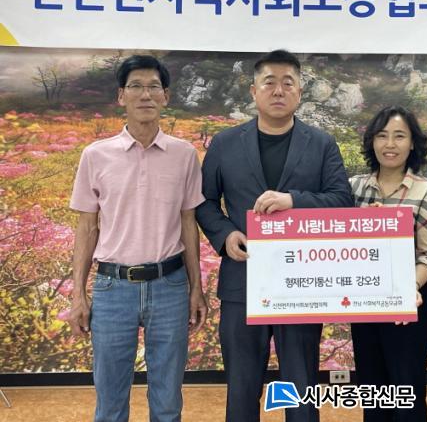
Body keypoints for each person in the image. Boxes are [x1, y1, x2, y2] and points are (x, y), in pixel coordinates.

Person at [196, 49, 353, 422]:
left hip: (300, 284)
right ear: (254, 91)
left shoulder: (321, 143)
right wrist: (225, 234)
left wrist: (294, 200)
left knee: (300, 389)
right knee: (242, 387)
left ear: (300, 91)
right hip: (242, 281)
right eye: (269, 82)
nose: (278, 90)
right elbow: (203, 201)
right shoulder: (225, 143)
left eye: (288, 83)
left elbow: (341, 200)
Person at [68, 54, 208, 422]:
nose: (145, 95)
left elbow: (188, 222)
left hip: (170, 285)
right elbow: (87, 228)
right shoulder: (95, 155)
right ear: (121, 96)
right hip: (113, 287)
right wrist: (78, 294)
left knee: (167, 402)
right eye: (135, 86)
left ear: (165, 96)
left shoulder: (184, 155)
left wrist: (196, 288)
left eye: (153, 87)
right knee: (110, 403)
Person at [350, 106, 427, 422]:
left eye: (399, 136)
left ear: (413, 143)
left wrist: (408, 287)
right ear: (372, 142)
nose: (390, 144)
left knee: (407, 397)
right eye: (382, 136)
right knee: (373, 397)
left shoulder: (425, 192)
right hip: (365, 306)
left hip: (407, 307)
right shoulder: (353, 189)